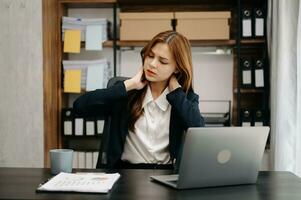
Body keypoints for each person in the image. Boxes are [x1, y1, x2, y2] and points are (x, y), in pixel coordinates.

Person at [73, 30, 204, 169]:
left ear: (177, 68)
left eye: (163, 61)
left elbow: (199, 131)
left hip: (165, 175)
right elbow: (79, 107)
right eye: (150, 56)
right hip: (125, 174)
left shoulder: (184, 98)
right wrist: (129, 85)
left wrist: (177, 94)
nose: (152, 64)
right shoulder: (127, 93)